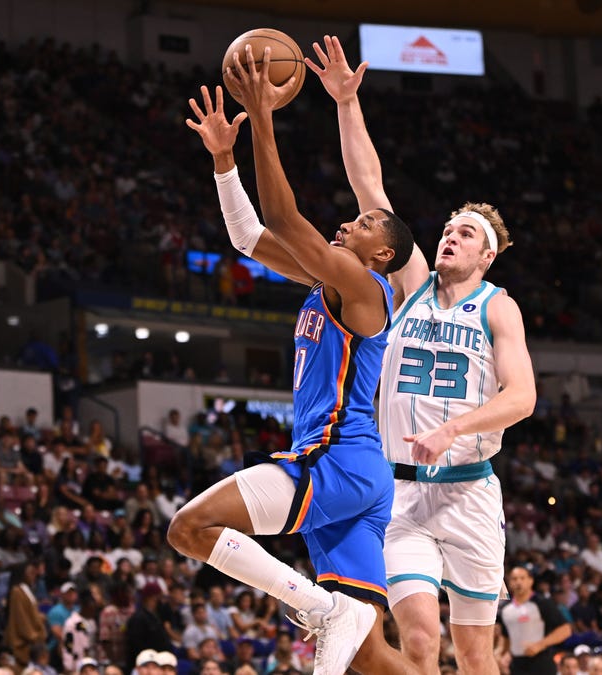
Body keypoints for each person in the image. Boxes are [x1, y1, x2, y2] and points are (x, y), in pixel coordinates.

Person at [172, 53, 416, 675]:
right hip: (362, 473)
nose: (345, 222)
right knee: (372, 659)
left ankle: (319, 607)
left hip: (338, 457)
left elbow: (283, 217)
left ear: (382, 253)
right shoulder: (327, 282)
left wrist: (261, 118)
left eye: (361, 223)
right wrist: (225, 160)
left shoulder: (364, 288)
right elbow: (249, 237)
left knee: (189, 529)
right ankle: (332, 612)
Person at [303, 35, 536, 674]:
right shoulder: (410, 285)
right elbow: (370, 191)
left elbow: (522, 399)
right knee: (420, 642)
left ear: (487, 254)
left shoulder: (496, 307)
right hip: (402, 496)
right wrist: (347, 103)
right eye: (447, 229)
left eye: (465, 233)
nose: (449, 236)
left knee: (476, 654)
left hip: (470, 493)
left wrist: (454, 429)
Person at [497, 566, 571, 675]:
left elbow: (566, 630)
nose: (518, 582)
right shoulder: (505, 609)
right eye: (514, 579)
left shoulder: (542, 603)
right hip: (516, 665)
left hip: (541, 663)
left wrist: (540, 645)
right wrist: (500, 655)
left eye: (522, 578)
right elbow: (506, 638)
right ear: (509, 582)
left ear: (530, 581)